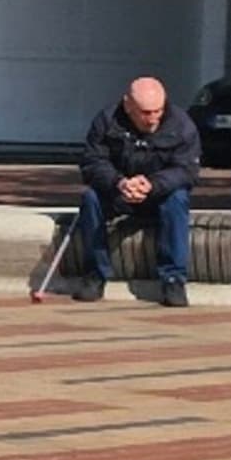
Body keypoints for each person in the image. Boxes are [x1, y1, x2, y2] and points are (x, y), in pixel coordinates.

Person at [67, 75, 198, 306]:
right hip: (119, 190)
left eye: (158, 110)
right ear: (128, 105)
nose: (153, 118)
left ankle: (173, 279)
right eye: (145, 113)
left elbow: (186, 170)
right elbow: (92, 162)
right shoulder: (106, 121)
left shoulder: (181, 124)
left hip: (159, 193)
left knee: (178, 199)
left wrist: (153, 184)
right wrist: (119, 182)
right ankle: (95, 275)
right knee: (90, 198)